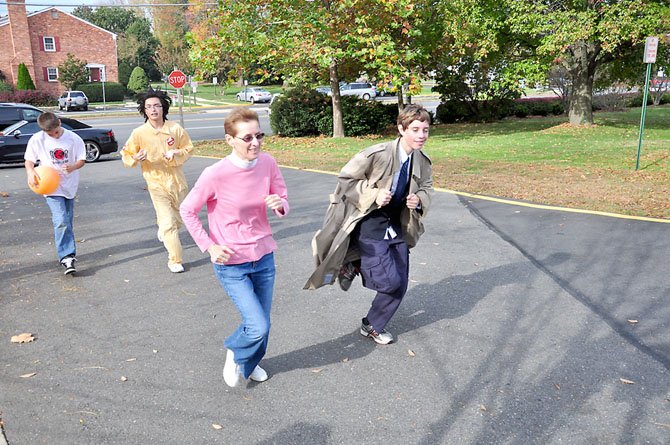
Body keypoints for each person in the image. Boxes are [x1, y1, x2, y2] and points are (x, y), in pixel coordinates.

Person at [304, 104, 434, 345]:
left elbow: (427, 187)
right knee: (390, 280)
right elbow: (346, 180)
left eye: (425, 130)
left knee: (401, 282)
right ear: (401, 128)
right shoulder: (377, 154)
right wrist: (374, 194)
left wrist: (419, 200)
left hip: (397, 225)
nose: (421, 135)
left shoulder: (422, 161)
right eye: (415, 129)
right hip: (369, 224)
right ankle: (355, 262)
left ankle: (372, 324)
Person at [180, 108, 289, 387]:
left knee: (263, 324)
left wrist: (280, 205)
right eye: (247, 138)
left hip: (263, 256)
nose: (255, 143)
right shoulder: (215, 174)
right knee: (257, 325)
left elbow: (282, 197)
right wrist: (209, 246)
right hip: (231, 263)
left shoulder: (268, 163)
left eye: (259, 135)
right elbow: (187, 210)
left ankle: (249, 365)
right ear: (230, 140)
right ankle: (235, 350)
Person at [121, 88, 193, 273]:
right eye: (149, 107)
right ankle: (175, 260)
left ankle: (163, 229)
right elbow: (126, 154)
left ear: (163, 108)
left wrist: (176, 152)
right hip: (155, 182)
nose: (153, 110)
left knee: (179, 220)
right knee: (169, 222)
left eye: (157, 106)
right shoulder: (139, 133)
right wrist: (136, 157)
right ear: (144, 110)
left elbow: (188, 149)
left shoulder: (175, 129)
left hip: (178, 181)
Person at [24, 112, 87, 275]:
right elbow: (29, 159)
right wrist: (30, 171)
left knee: (67, 220)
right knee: (61, 220)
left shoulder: (74, 138)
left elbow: (82, 159)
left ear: (59, 122)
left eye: (56, 132)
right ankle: (67, 257)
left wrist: (73, 167)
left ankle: (68, 252)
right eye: (50, 134)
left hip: (69, 185)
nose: (54, 135)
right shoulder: (38, 139)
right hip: (50, 185)